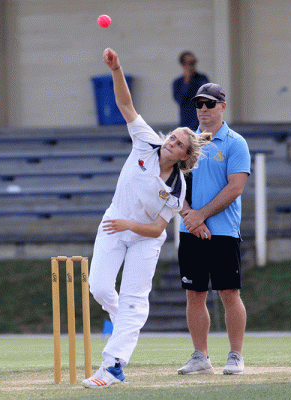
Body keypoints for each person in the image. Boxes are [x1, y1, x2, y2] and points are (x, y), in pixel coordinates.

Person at [82, 48, 211, 389]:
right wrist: (117, 68)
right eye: (172, 136)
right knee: (98, 287)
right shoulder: (146, 142)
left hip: (145, 238)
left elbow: (157, 228)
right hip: (114, 223)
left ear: (185, 155)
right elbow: (126, 106)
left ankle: (113, 366)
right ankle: (120, 320)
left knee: (134, 301)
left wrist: (129, 226)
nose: (171, 141)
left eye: (178, 142)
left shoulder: (177, 188)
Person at [177, 83, 251, 376]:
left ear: (222, 106)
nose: (204, 110)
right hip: (190, 231)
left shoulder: (235, 142)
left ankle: (235, 356)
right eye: (199, 105)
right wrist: (188, 216)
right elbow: (172, 181)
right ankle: (200, 357)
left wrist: (201, 216)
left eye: (210, 104)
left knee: (229, 292)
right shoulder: (186, 141)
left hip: (223, 230)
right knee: (194, 294)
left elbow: (235, 187)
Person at [172, 51, 209, 131]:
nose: (192, 66)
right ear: (183, 64)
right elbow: (180, 99)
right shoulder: (178, 82)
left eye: (194, 62)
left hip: (203, 122)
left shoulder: (202, 79)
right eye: (189, 63)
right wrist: (187, 82)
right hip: (187, 123)